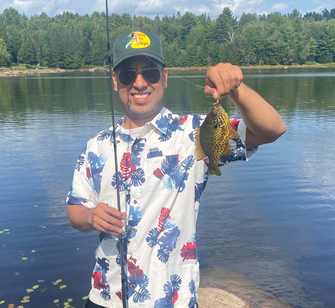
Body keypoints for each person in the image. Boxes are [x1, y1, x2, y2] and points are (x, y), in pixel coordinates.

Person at [66, 30, 286, 308]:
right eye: (127, 75)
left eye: (150, 72)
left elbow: (272, 130)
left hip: (172, 299)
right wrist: (90, 216)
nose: (139, 82)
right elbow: (76, 210)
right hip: (106, 297)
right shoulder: (95, 146)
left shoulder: (194, 132)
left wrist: (235, 90)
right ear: (114, 81)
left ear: (165, 77)